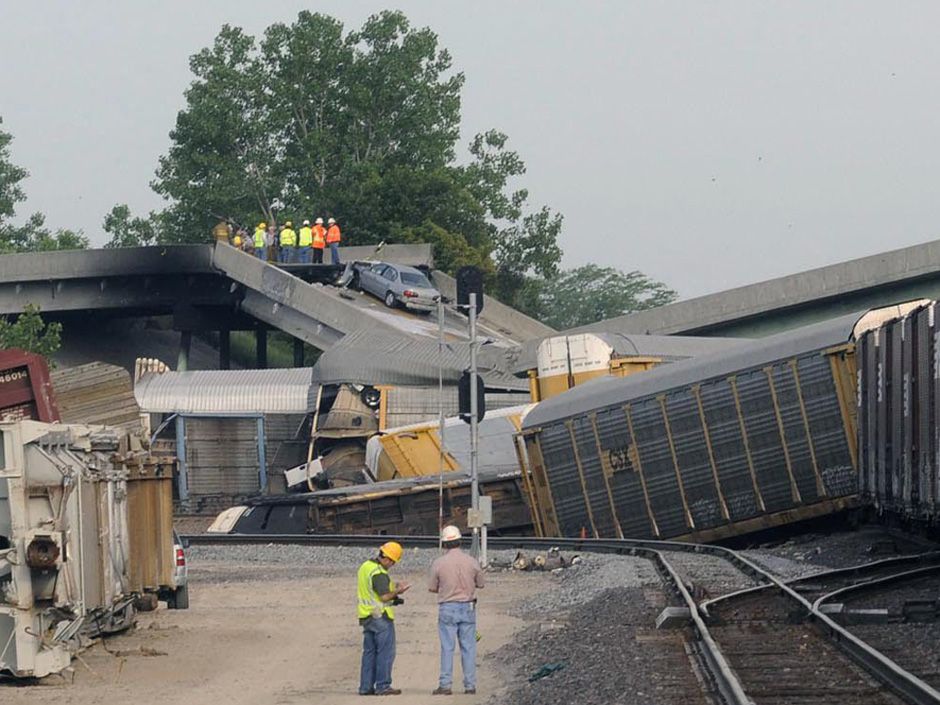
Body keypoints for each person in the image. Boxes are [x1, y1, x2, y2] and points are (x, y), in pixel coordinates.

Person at [428, 526, 484, 696]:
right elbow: (480, 584)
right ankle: (470, 685)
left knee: (447, 647)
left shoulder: (438, 563)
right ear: (460, 541)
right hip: (467, 606)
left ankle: (445, 685)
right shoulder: (472, 561)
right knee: (468, 647)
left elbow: (432, 588)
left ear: (444, 544)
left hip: (447, 607)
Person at [358, 541, 410, 696]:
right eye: (393, 562)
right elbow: (383, 596)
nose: (392, 565)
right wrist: (398, 591)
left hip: (366, 616)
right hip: (380, 617)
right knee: (386, 652)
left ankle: (365, 687)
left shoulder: (366, 566)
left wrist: (393, 586)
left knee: (369, 652)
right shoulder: (379, 572)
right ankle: (383, 686)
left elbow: (371, 589)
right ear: (388, 559)